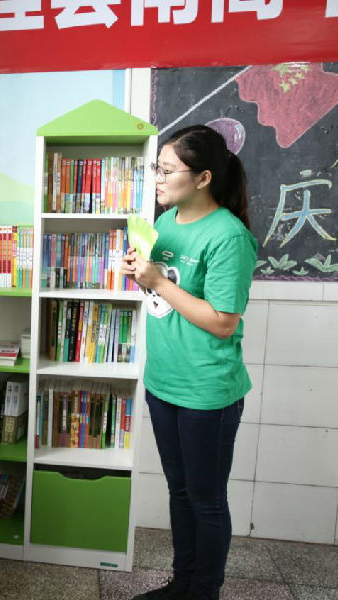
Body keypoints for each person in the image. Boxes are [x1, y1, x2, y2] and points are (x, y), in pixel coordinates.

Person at [122, 125, 257, 600]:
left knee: (206, 500)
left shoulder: (229, 236)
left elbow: (222, 322)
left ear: (203, 178)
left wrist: (158, 282)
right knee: (180, 492)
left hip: (207, 392)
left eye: (167, 170)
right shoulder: (164, 224)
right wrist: (141, 275)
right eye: (156, 169)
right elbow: (168, 296)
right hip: (164, 382)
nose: (157, 179)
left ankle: (204, 591)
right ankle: (183, 583)